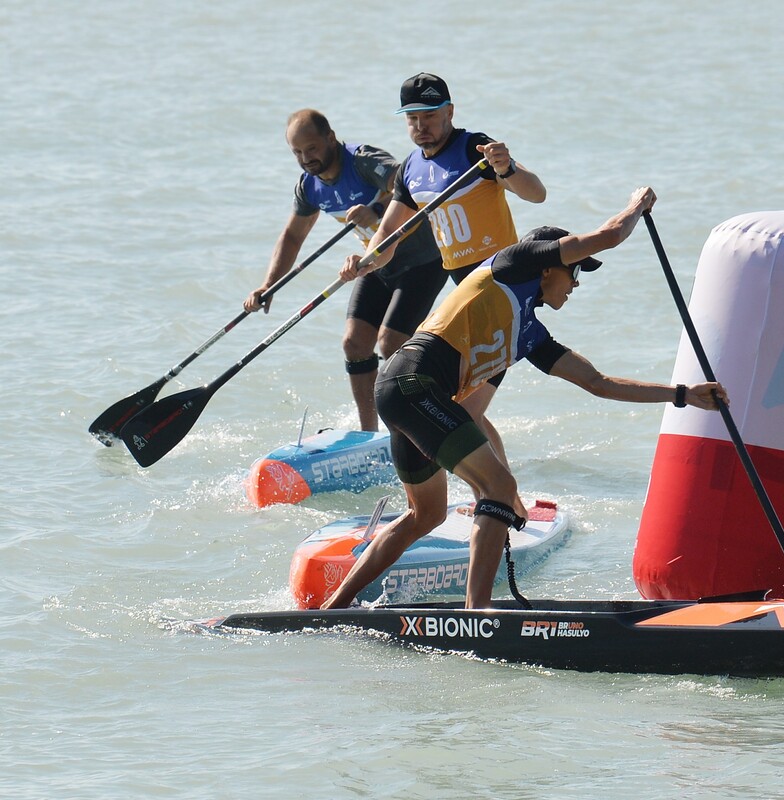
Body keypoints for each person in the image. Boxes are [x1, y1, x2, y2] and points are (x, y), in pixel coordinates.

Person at [322, 187, 729, 610]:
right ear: (549, 265)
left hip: (405, 392)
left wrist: (684, 395)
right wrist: (637, 205)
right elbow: (609, 235)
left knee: (424, 515)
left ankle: (334, 608)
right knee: (498, 488)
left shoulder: (528, 333)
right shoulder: (511, 266)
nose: (575, 283)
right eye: (574, 272)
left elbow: (599, 383)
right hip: (412, 381)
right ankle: (477, 613)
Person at [348, 73, 545, 488]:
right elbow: (386, 241)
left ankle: (496, 498)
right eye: (412, 118)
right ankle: (503, 493)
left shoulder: (476, 148)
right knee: (458, 407)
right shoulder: (409, 171)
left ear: (450, 112)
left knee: (460, 411)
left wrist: (506, 168)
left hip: (504, 288)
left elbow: (535, 193)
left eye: (430, 115)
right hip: (467, 297)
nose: (421, 126)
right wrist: (362, 262)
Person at [245, 109, 445, 431]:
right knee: (354, 343)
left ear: (330, 138)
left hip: (423, 260)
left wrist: (377, 208)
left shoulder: (362, 161)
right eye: (297, 152)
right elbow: (293, 235)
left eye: (311, 148)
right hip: (377, 262)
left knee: (391, 342)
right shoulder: (310, 187)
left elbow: (406, 180)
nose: (305, 158)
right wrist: (269, 285)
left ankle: (409, 427)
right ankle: (370, 435)